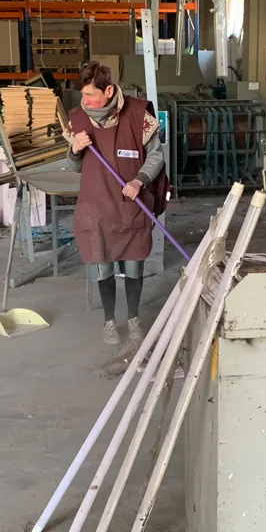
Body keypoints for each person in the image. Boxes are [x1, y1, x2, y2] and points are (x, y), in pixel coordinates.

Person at [67, 60, 164, 345]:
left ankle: (133, 318)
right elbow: (74, 166)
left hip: (130, 205)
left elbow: (156, 156)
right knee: (103, 266)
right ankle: (109, 321)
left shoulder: (138, 114)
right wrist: (74, 149)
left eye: (91, 95)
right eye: (83, 95)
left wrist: (139, 181)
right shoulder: (78, 120)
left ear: (108, 91)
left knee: (134, 266)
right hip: (96, 208)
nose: (85, 101)